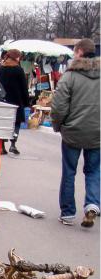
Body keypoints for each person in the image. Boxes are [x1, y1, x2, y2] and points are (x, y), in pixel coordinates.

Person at [51, 38, 100, 228]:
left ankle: (68, 213)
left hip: (73, 131)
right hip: (98, 132)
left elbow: (59, 106)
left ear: (79, 52)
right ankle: (93, 203)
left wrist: (58, 125)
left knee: (69, 171)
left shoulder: (70, 76)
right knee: (94, 170)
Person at [0, 49, 29, 155]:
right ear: (16, 57)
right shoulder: (19, 70)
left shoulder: (1, 69)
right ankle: (13, 144)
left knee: (2, 123)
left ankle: (1, 146)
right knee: (16, 123)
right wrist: (26, 102)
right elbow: (24, 87)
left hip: (3, 100)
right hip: (16, 100)